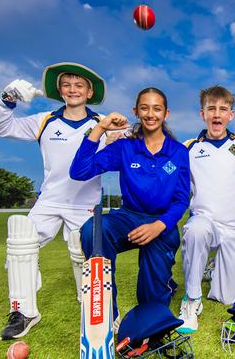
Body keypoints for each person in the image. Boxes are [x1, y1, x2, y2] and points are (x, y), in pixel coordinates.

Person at [0, 62, 116, 340]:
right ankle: (24, 312)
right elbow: (2, 127)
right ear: (60, 90)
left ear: (89, 91)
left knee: (83, 252)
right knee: (19, 246)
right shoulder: (45, 120)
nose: (72, 89)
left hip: (86, 204)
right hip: (49, 201)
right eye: (67, 84)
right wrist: (7, 99)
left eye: (79, 85)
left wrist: (120, 130)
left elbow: (125, 146)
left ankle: (91, 301)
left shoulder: (102, 122)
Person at [70, 87, 190, 332]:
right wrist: (101, 127)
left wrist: (159, 226)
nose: (150, 114)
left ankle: (163, 281)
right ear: (136, 111)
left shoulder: (178, 152)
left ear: (165, 113)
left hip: (161, 223)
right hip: (128, 217)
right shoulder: (125, 147)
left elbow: (181, 200)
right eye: (144, 108)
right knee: (94, 229)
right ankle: (105, 313)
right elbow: (79, 171)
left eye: (157, 108)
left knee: (151, 310)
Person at [177, 86, 235, 334]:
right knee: (196, 231)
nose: (216, 114)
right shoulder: (188, 148)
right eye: (211, 109)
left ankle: (211, 268)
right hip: (204, 221)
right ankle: (191, 300)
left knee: (225, 297)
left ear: (231, 114)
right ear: (202, 114)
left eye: (223, 109)